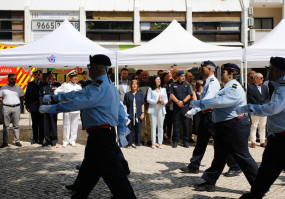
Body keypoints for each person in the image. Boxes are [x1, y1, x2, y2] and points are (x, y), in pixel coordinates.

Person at [39, 54, 136, 199]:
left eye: (90, 67)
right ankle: (79, 194)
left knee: (115, 174)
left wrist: (51, 109)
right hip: (102, 134)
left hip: (101, 136)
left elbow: (78, 102)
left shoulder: (99, 87)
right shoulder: (107, 85)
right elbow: (80, 94)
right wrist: (54, 97)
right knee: (90, 171)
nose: (88, 69)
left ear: (95, 68)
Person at [191, 63, 258, 192]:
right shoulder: (226, 87)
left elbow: (220, 102)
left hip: (234, 126)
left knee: (243, 156)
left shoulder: (233, 87)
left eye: (223, 72)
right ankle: (209, 182)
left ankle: (259, 185)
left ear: (230, 74)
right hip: (225, 126)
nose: (221, 75)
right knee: (219, 156)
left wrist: (199, 103)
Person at [182, 61, 241, 176]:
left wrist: (193, 110)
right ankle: (194, 165)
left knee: (221, 141)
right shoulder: (208, 81)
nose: (201, 69)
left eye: (203, 68)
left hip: (211, 115)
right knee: (201, 141)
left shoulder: (213, 82)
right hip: (206, 115)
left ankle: (234, 166)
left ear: (209, 69)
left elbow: (208, 100)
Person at [237, 57, 285, 199]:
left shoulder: (282, 87)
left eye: (269, 69)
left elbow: (273, 108)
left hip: (283, 139)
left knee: (266, 173)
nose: (268, 71)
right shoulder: (278, 86)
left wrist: (247, 108)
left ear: (275, 70)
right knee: (265, 174)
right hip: (276, 139)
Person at [54, 70, 82, 147]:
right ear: (70, 78)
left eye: (76, 76)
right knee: (66, 124)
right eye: (74, 77)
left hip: (76, 108)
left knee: (75, 124)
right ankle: (65, 140)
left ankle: (72, 140)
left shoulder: (79, 86)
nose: (76, 78)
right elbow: (56, 92)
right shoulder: (65, 85)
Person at [0, 74, 24, 148]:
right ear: (8, 79)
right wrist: (5, 101)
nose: (13, 80)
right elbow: (0, 97)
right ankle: (5, 142)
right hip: (6, 107)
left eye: (14, 79)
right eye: (12, 79)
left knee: (16, 125)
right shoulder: (3, 88)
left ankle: (17, 141)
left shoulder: (19, 88)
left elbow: (22, 97)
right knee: (6, 126)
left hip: (16, 107)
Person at [169, 70, 192, 148]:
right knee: (176, 125)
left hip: (184, 108)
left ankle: (185, 141)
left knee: (186, 125)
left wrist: (183, 101)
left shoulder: (187, 85)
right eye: (182, 76)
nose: (183, 77)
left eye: (184, 76)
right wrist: (178, 102)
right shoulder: (173, 84)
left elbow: (189, 95)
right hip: (176, 108)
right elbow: (171, 94)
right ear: (178, 76)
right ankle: (175, 141)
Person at [247, 73, 270, 148]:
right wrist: (258, 105)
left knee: (263, 126)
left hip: (263, 109)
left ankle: (262, 141)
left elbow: (267, 97)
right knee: (254, 125)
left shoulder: (265, 87)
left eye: (263, 78)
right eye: (261, 78)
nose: (263, 79)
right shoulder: (250, 87)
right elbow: (250, 98)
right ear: (255, 78)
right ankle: (253, 141)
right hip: (255, 109)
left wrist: (265, 105)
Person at [39, 71, 61, 147]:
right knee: (46, 124)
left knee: (53, 124)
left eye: (51, 76)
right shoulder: (43, 86)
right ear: (46, 77)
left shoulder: (57, 85)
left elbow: (58, 97)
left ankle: (54, 140)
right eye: (49, 76)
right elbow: (40, 97)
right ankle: (47, 140)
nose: (50, 78)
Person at [147, 76, 168, 149]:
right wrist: (156, 102)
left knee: (160, 126)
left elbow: (166, 100)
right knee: (153, 126)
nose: (159, 81)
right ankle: (153, 142)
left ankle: (160, 142)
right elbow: (148, 99)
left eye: (159, 79)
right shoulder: (150, 89)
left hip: (161, 109)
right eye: (157, 79)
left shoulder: (163, 89)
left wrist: (163, 102)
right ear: (154, 81)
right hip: (153, 109)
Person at [25, 70, 45, 145]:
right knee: (34, 123)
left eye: (38, 75)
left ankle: (41, 139)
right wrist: (27, 105)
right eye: (35, 75)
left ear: (41, 76)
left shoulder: (44, 84)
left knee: (41, 123)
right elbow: (27, 96)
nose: (37, 76)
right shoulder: (30, 84)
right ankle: (35, 138)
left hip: (42, 106)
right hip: (33, 106)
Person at [124, 80, 145, 149]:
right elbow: (125, 104)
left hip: (138, 114)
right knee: (130, 130)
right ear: (131, 86)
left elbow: (142, 104)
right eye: (133, 84)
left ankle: (137, 144)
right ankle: (129, 144)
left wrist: (142, 113)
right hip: (130, 114)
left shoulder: (140, 94)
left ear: (137, 86)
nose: (134, 85)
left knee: (138, 130)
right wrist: (125, 114)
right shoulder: (127, 94)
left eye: (136, 84)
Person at [161, 72, 172, 143]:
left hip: (169, 105)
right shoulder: (161, 85)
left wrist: (169, 102)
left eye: (168, 76)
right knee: (163, 121)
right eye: (166, 76)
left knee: (169, 122)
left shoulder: (171, 84)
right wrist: (164, 102)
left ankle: (169, 136)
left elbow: (173, 94)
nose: (167, 78)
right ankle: (162, 136)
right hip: (162, 105)